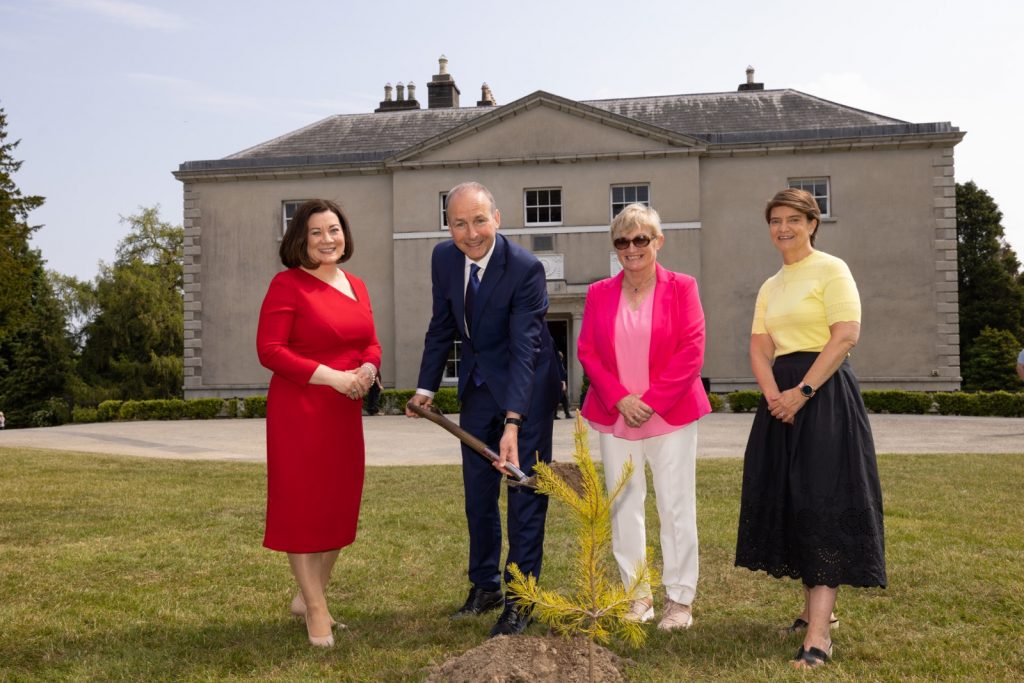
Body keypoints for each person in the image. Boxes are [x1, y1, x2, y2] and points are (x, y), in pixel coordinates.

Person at [734, 188, 886, 669]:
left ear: (812, 223)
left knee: (823, 503)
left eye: (793, 220)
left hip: (823, 398)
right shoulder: (770, 285)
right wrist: (773, 395)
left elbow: (845, 336)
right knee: (794, 501)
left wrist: (802, 393)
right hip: (780, 398)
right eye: (775, 220)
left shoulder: (832, 269)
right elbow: (759, 347)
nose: (783, 228)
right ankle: (812, 612)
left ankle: (819, 636)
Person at [406, 181, 561, 637]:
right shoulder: (443, 258)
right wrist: (425, 389)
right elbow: (442, 326)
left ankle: (521, 599)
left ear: (497, 217)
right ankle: (485, 586)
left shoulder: (526, 268)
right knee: (478, 494)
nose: (470, 233)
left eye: (478, 220)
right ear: (447, 224)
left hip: (526, 386)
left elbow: (526, 347)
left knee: (524, 493)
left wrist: (514, 422)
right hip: (477, 386)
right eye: (458, 223)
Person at [577, 203, 711, 631]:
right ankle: (637, 596)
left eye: (641, 239)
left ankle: (679, 599)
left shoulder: (683, 287)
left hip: (670, 414)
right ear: (615, 247)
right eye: (623, 241)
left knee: (675, 505)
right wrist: (620, 399)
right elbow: (587, 352)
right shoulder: (599, 292)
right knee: (623, 506)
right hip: (616, 416)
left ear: (658, 242)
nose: (632, 248)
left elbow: (692, 350)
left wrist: (650, 401)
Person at [256, 198, 381, 648]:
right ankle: (315, 607)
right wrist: (334, 377)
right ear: (301, 240)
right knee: (304, 510)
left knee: (338, 507)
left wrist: (367, 371)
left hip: (343, 412)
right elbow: (270, 350)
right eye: (316, 232)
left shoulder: (357, 285)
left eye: (334, 230)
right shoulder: (287, 285)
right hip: (301, 410)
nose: (328, 239)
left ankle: (309, 596)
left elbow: (370, 341)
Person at [554, 351, 573, 419]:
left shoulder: (560, 365)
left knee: (563, 400)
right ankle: (565, 414)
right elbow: (560, 375)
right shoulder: (557, 365)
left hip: (560, 385)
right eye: (561, 358)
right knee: (560, 400)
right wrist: (564, 384)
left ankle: (565, 414)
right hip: (559, 385)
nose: (562, 359)